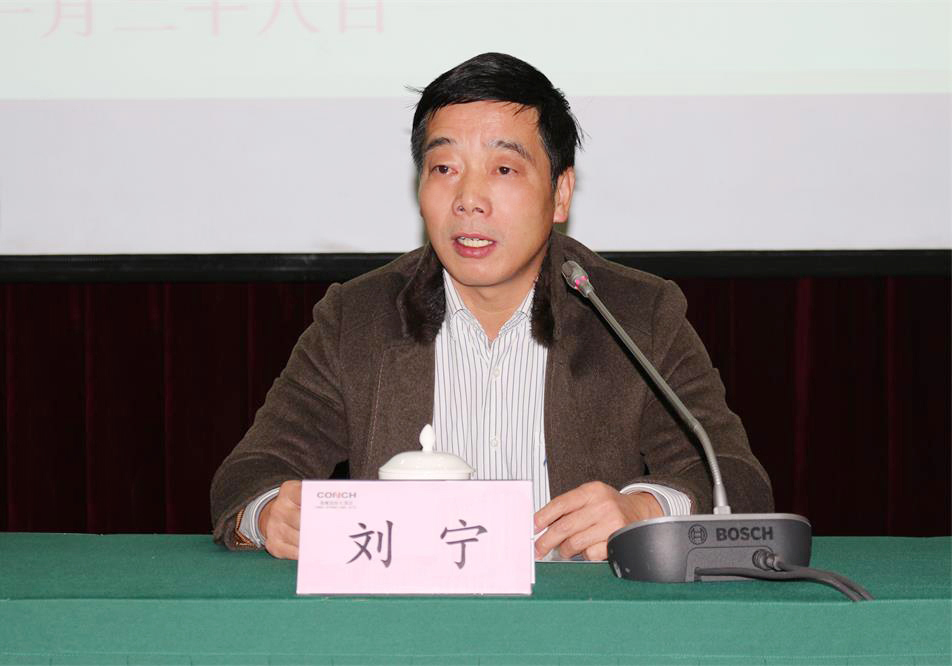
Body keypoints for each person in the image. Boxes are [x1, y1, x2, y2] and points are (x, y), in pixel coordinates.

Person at [210, 52, 773, 561]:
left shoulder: (633, 312)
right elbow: (252, 471)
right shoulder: (359, 316)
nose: (468, 200)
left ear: (560, 193)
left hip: (577, 619)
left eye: (503, 170)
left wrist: (644, 511)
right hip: (406, 620)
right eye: (444, 169)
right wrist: (268, 513)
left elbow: (735, 477)